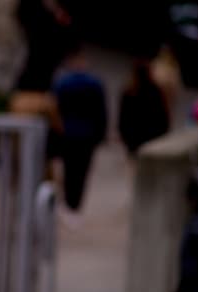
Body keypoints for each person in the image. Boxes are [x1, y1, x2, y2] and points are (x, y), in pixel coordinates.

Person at [51, 42, 107, 213]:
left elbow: (54, 110)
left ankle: (69, 202)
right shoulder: (95, 84)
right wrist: (100, 135)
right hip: (87, 135)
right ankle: (75, 203)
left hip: (67, 134)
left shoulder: (62, 83)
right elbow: (102, 113)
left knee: (69, 169)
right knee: (82, 171)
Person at [118, 58, 170, 158]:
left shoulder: (129, 91)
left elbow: (122, 117)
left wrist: (124, 135)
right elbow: (164, 117)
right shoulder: (156, 92)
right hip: (151, 139)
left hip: (133, 139)